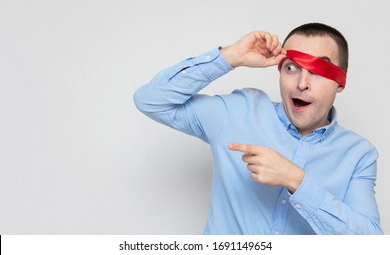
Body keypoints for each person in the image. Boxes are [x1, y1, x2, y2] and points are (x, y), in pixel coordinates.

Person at [133, 23, 383, 235]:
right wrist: (229, 57)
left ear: (340, 83)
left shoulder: (359, 154)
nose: (302, 84)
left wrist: (295, 180)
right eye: (291, 68)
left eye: (318, 71)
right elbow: (151, 99)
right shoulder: (239, 112)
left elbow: (370, 242)